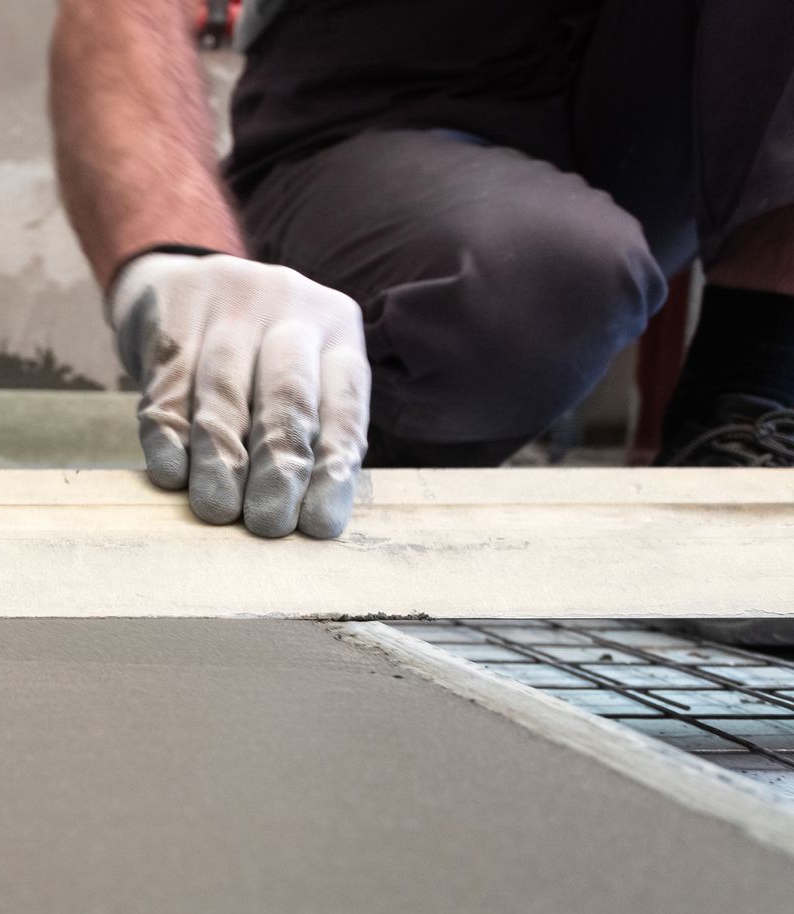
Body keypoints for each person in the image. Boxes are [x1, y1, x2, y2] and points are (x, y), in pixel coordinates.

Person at [49, 0, 794, 538]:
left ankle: (753, 405)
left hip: (677, 105)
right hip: (378, 94)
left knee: (550, 273)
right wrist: (177, 256)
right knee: (541, 280)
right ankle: (315, 430)